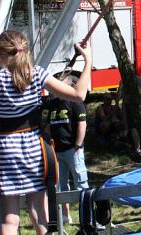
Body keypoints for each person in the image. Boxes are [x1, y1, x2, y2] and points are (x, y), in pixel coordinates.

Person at [0, 30, 91, 235]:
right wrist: (88, 60)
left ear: (0, 54)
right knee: (39, 213)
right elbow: (79, 94)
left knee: (9, 220)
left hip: (5, 153)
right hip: (34, 150)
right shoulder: (37, 74)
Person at [45, 89, 89, 226]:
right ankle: (65, 216)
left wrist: (78, 145)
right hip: (56, 151)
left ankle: (87, 216)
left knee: (81, 183)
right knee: (60, 186)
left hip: (73, 150)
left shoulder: (75, 102)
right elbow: (47, 126)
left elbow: (82, 124)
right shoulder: (51, 104)